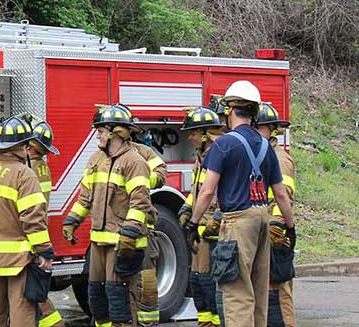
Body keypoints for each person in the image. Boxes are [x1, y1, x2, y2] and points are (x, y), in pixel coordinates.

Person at [186, 81, 295, 327]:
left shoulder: (224, 144)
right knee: (258, 294)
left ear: (229, 111)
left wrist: (193, 223)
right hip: (262, 221)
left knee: (236, 295)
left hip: (237, 224)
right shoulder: (266, 146)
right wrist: (291, 226)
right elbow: (280, 194)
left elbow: (207, 192)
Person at [63, 105, 155, 327]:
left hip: (121, 243)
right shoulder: (96, 159)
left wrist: (129, 234)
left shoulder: (134, 162)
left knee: (119, 301)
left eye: (101, 131)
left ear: (116, 133)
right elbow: (86, 197)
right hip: (99, 242)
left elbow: (139, 201)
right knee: (97, 299)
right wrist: (71, 222)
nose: (98, 135)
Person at [0, 117, 58, 327]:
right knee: (22, 310)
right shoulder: (25, 174)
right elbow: (33, 219)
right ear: (23, 146)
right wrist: (44, 251)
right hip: (17, 260)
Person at [108, 105, 168, 326]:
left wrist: (139, 180)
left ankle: (148, 323)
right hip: (115, 231)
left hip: (142, 227)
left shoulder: (142, 153)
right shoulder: (106, 156)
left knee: (146, 282)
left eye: (121, 129)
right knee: (119, 287)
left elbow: (161, 174)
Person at [176, 106, 226, 327]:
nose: (190, 137)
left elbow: (225, 193)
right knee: (197, 284)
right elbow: (197, 191)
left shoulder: (218, 155)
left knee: (210, 285)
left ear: (205, 134)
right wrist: (187, 209)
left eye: (194, 132)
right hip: (200, 232)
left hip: (213, 234)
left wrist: (217, 218)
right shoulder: (201, 157)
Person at [254, 103, 297, 327]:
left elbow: (284, 196)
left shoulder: (279, 159)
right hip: (262, 233)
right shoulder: (261, 155)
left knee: (278, 297)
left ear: (271, 129)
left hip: (276, 234)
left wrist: (278, 226)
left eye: (258, 127)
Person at [26, 119, 65, 327]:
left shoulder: (30, 169)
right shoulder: (40, 168)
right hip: (38, 235)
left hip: (30, 239)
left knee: (36, 294)